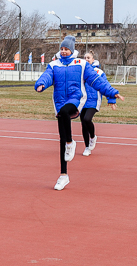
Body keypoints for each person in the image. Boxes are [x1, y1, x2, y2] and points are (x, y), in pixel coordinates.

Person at [35, 36, 123, 191]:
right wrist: (41, 83)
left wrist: (112, 93)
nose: (63, 51)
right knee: (62, 136)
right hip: (59, 101)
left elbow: (97, 80)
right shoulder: (53, 64)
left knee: (65, 113)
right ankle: (63, 175)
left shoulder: (81, 64)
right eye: (61, 49)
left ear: (72, 50)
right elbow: (47, 76)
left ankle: (71, 142)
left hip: (76, 99)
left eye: (66, 49)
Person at [79, 53, 121, 156]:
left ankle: (93, 137)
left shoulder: (99, 72)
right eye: (84, 58)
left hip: (94, 101)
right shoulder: (80, 72)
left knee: (87, 119)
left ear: (93, 59)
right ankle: (87, 147)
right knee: (83, 125)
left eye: (88, 58)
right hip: (82, 101)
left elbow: (105, 85)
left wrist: (111, 99)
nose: (86, 59)